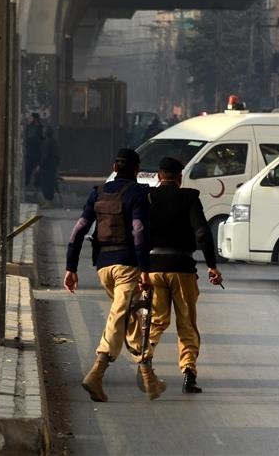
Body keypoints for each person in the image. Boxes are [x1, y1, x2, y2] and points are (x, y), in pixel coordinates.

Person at [62, 148, 166, 402]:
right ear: (137, 170)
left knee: (129, 317)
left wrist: (71, 267)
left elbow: (79, 230)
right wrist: (144, 269)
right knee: (119, 317)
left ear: (114, 166)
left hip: (103, 267)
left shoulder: (97, 192)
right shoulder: (139, 193)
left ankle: (149, 378)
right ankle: (96, 373)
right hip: (128, 267)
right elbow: (139, 231)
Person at [144, 157, 223, 394]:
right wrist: (211, 265)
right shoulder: (189, 198)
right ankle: (188, 373)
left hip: (154, 266)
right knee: (186, 322)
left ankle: (145, 360)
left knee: (157, 320)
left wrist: (141, 267)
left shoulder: (148, 198)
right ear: (179, 178)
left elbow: (138, 232)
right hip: (182, 267)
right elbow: (202, 232)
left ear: (159, 176)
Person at [37, 125, 60, 204]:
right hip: (52, 167)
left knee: (46, 183)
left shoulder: (47, 142)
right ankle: (49, 200)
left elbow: (45, 156)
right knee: (50, 183)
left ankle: (48, 201)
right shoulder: (53, 141)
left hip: (47, 167)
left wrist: (40, 165)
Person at [24, 112, 43, 189]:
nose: (30, 119)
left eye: (32, 117)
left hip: (37, 152)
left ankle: (37, 185)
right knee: (28, 169)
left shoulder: (41, 128)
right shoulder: (29, 127)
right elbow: (27, 138)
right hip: (30, 152)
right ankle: (27, 183)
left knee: (38, 170)